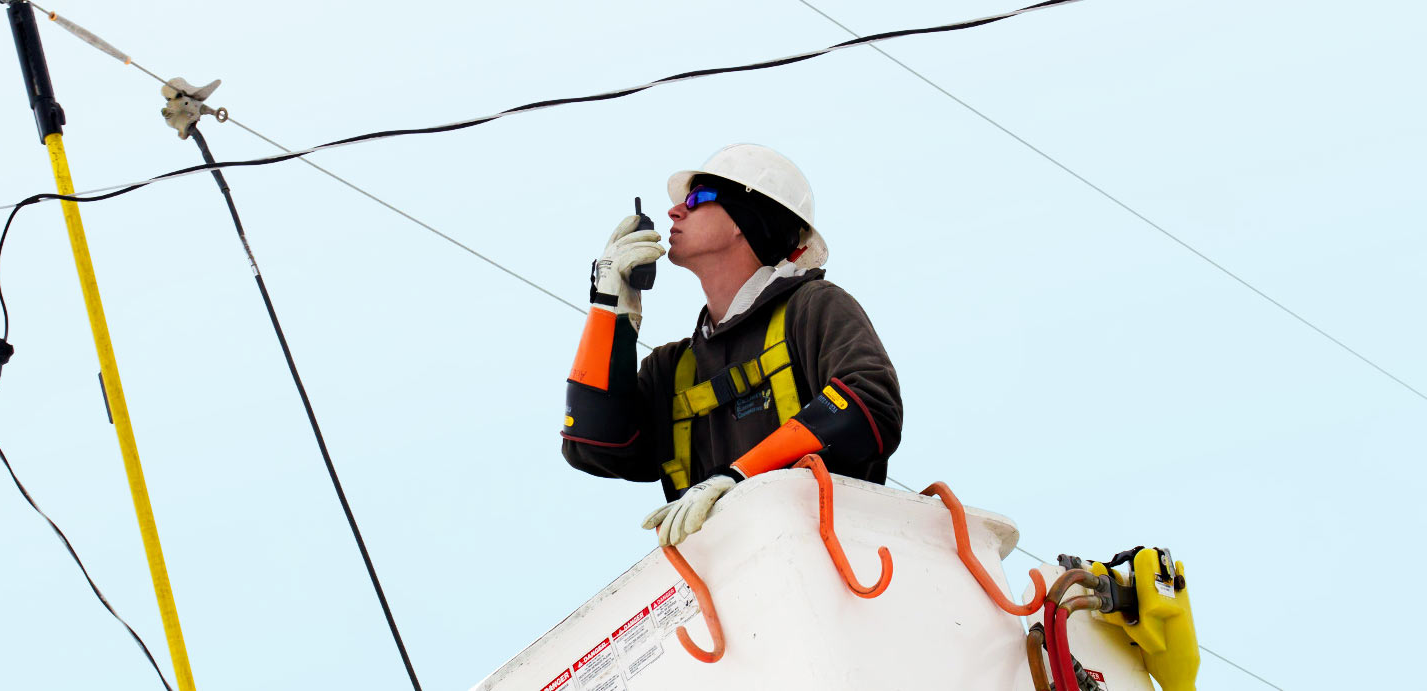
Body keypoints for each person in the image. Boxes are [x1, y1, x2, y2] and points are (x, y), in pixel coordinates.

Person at [561, 144, 902, 546]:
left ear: (746, 220)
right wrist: (610, 310)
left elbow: (870, 405)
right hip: (735, 587)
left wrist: (741, 475)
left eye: (697, 199)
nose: (675, 211)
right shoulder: (673, 368)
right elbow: (590, 444)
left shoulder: (812, 308)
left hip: (837, 564)